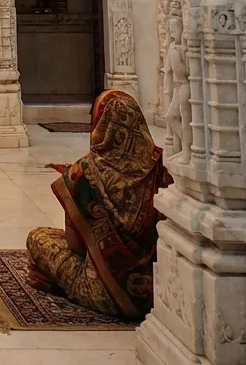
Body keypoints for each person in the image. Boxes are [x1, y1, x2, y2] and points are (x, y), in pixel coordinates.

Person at [26, 89, 172, 320]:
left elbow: (75, 245)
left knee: (38, 237)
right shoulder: (159, 167)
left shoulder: (85, 173)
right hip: (156, 290)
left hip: (102, 292)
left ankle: (61, 284)